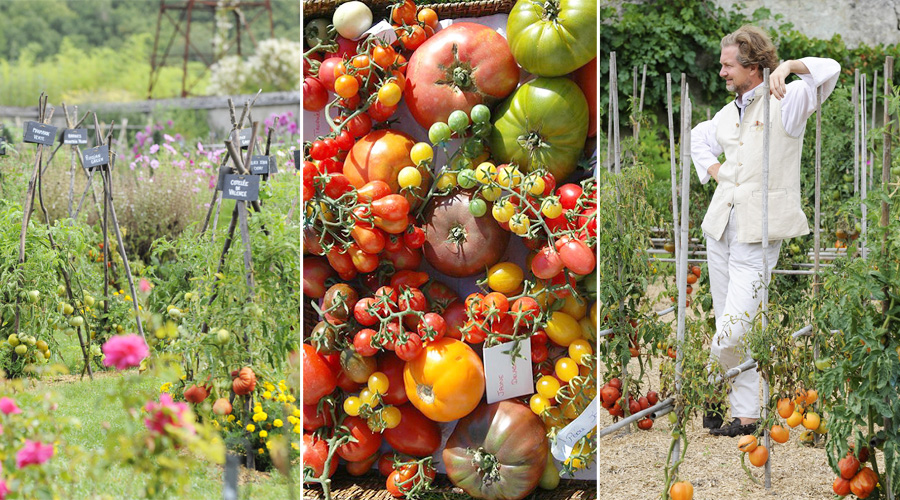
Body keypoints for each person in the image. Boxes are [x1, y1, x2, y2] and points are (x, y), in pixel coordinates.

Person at [690, 25, 840, 436]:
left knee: (738, 324)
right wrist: (719, 173)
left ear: (754, 66)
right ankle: (745, 415)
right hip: (721, 227)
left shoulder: (786, 101)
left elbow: (830, 69)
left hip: (760, 230)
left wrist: (789, 66)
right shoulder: (729, 111)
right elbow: (697, 139)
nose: (721, 72)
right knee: (728, 318)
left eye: (728, 65)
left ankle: (707, 382)